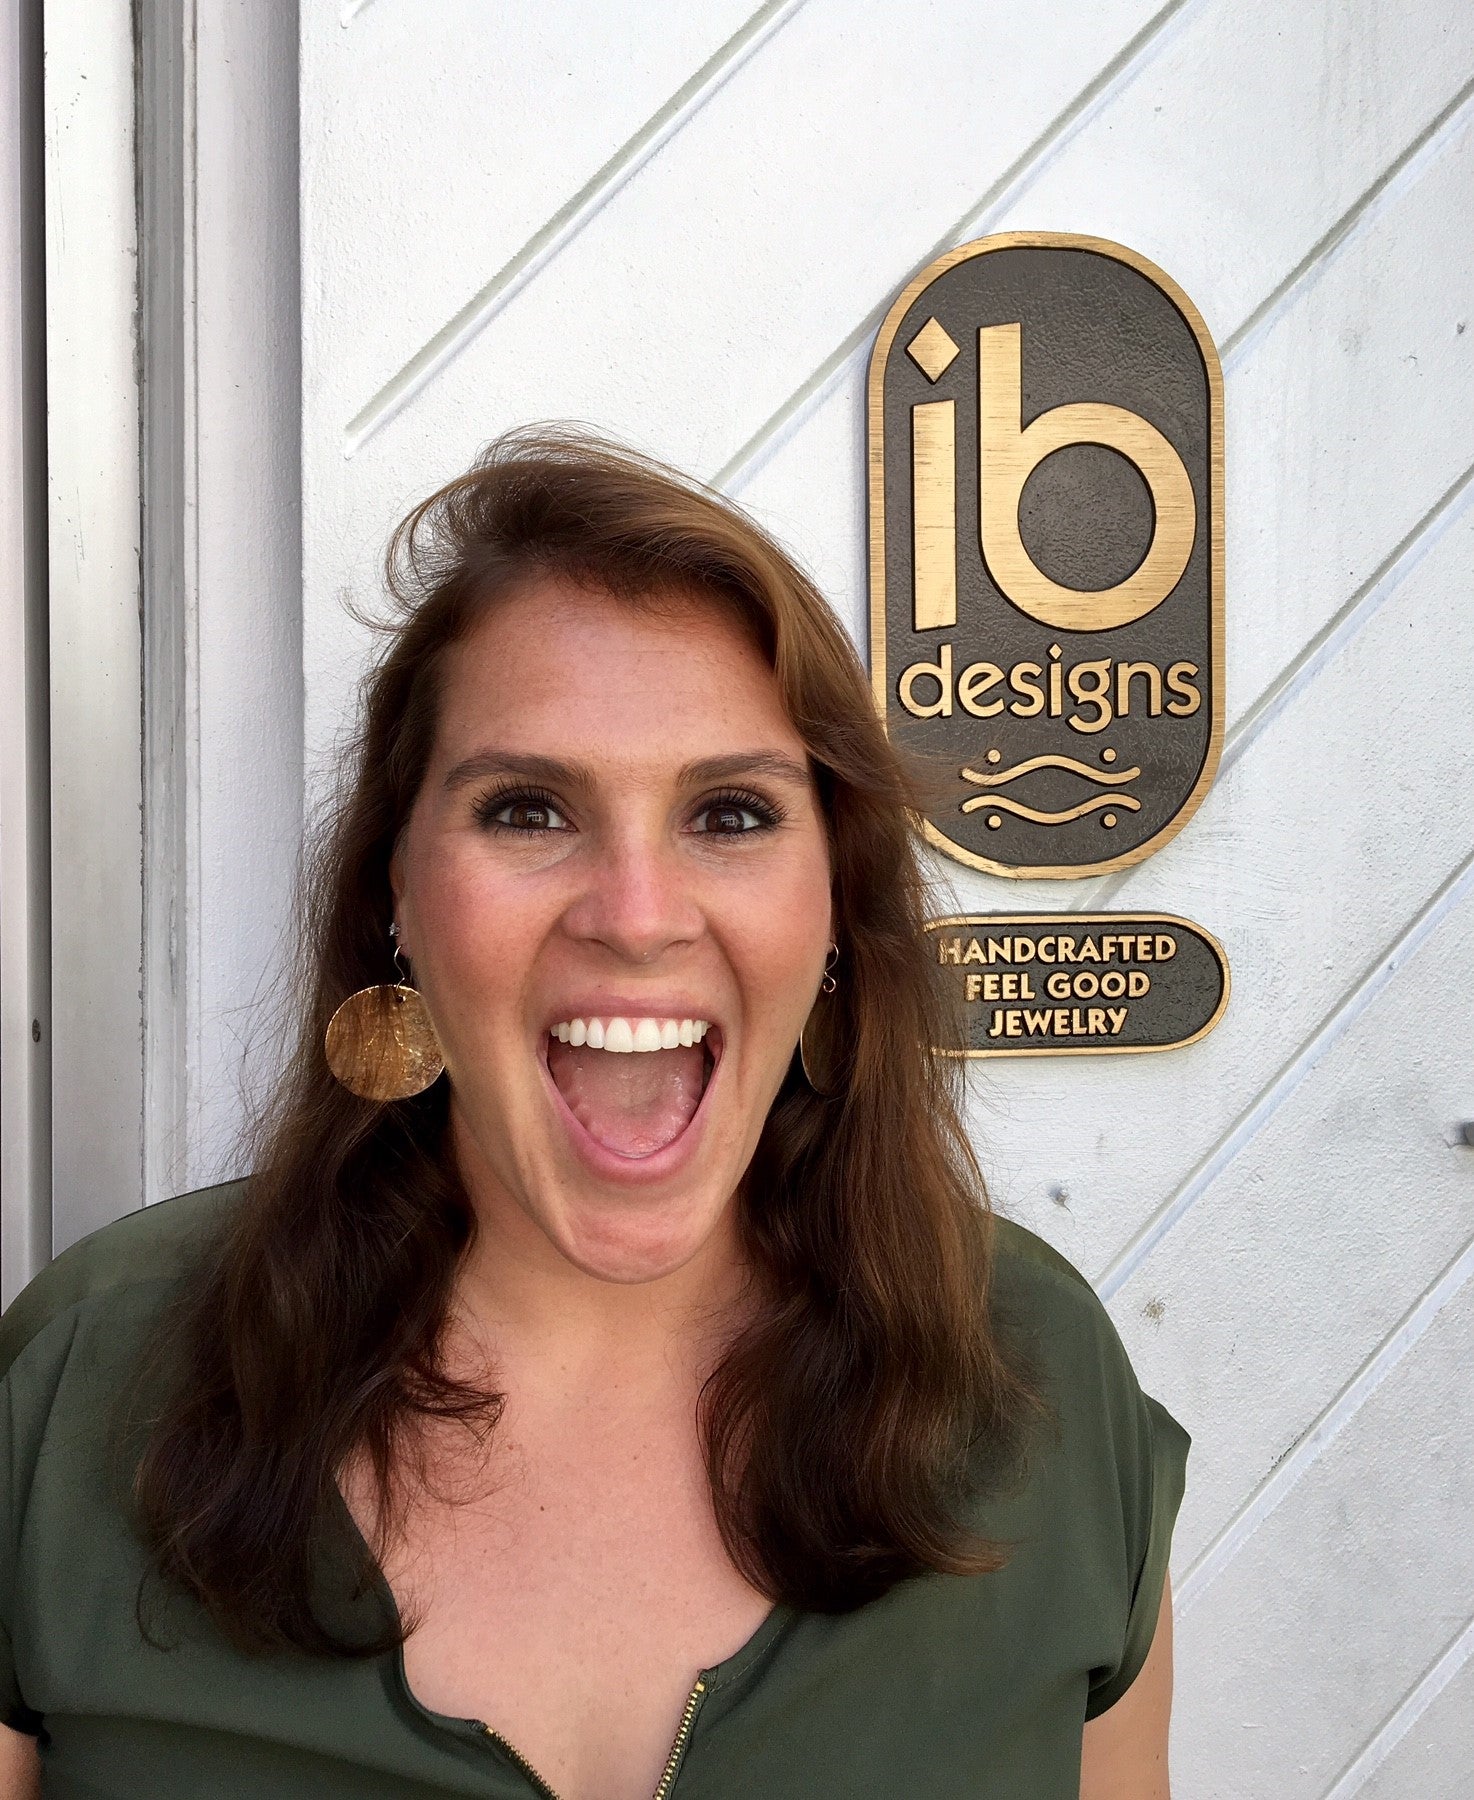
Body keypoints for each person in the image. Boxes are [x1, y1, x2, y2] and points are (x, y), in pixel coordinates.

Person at [0, 430, 1187, 1799]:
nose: (635, 915)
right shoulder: (88, 1383)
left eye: (729, 814)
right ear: (395, 895)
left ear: (836, 907)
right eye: (527, 810)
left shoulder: (1038, 1380)